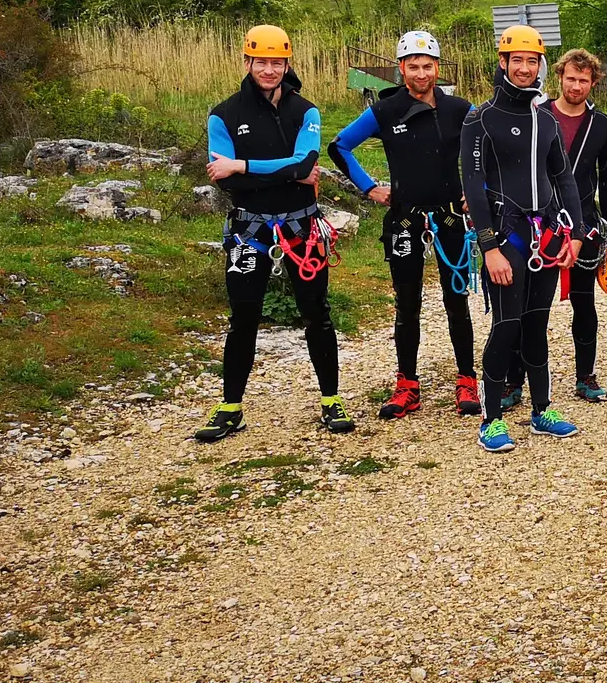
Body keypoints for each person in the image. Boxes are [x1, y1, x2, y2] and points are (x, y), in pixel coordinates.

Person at [196, 25, 353, 441]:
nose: (269, 70)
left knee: (316, 314)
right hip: (250, 231)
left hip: (301, 229)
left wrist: (244, 166)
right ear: (246, 62)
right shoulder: (223, 115)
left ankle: (331, 400)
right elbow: (224, 181)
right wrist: (284, 173)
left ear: (287, 64)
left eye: (276, 62)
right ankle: (230, 407)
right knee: (243, 318)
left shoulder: (306, 112)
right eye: (261, 62)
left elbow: (303, 168)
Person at [328, 30, 478, 420]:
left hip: (449, 216)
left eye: (427, 66)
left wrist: (476, 193)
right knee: (406, 303)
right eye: (413, 66)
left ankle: (467, 379)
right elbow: (338, 146)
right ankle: (407, 385)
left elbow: (489, 146)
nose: (421, 73)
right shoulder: (385, 110)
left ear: (438, 68)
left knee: (455, 300)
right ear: (401, 69)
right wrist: (369, 188)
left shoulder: (460, 109)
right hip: (406, 217)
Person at [460, 25, 584, 453]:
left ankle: (541, 410)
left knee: (537, 324)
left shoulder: (546, 116)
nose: (525, 68)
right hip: (506, 236)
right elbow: (474, 186)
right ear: (503, 62)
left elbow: (563, 178)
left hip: (545, 235)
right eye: (518, 61)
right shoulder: (481, 118)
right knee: (506, 325)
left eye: (533, 61)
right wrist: (489, 246)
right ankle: (490, 418)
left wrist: (578, 235)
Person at [546, 49, 607, 404]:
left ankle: (585, 375)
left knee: (584, 302)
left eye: (584, 80)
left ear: (593, 82)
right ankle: (515, 379)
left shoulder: (603, 126)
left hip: (585, 224)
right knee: (532, 306)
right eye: (571, 78)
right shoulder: (537, 115)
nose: (576, 86)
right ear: (559, 77)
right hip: (540, 220)